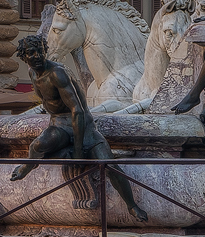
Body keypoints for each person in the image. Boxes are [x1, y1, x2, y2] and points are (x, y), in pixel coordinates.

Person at [9, 33, 147, 222]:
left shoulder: (57, 73)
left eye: (40, 51)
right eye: (31, 53)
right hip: (59, 126)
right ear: (24, 56)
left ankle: (132, 206)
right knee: (36, 146)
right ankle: (28, 165)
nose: (37, 56)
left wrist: (78, 150)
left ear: (45, 51)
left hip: (84, 127)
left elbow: (78, 111)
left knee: (110, 167)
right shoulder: (33, 74)